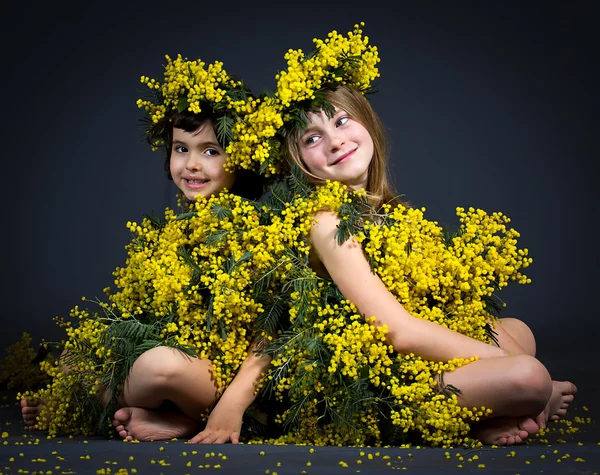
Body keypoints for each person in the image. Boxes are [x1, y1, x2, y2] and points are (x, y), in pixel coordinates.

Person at [253, 24, 577, 446]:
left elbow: (428, 308)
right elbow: (398, 332)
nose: (334, 141)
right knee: (529, 374)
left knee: (518, 329)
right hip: (376, 382)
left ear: (366, 121)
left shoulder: (382, 210)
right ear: (300, 163)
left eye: (342, 121)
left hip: (413, 362)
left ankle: (493, 414)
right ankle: (525, 401)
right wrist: (510, 365)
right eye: (313, 138)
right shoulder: (326, 221)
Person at [21, 55, 272, 444]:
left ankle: (89, 407)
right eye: (180, 148)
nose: (191, 165)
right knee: (77, 354)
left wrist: (234, 399)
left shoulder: (260, 230)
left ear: (242, 156)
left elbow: (274, 330)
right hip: (193, 360)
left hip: (232, 381)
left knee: (158, 366)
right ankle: (169, 418)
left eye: (210, 151)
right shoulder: (176, 230)